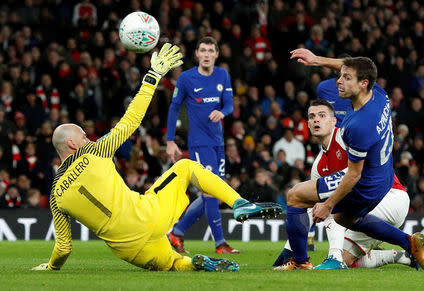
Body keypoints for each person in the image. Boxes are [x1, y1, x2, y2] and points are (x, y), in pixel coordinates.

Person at [31, 43, 282, 272]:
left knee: (171, 262)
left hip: (129, 249)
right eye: (84, 136)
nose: (88, 138)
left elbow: (64, 248)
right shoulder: (94, 151)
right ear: (73, 143)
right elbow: (131, 120)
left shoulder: (56, 194)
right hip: (147, 217)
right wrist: (152, 77)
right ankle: (239, 203)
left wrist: (51, 267)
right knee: (184, 166)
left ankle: (193, 263)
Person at [276, 49, 424, 272]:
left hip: (368, 183)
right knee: (345, 218)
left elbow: (353, 174)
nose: (338, 82)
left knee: (295, 195)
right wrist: (317, 60)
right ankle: (409, 243)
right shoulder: (379, 94)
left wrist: (328, 204)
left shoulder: (357, 126)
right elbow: (349, 64)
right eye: (341, 76)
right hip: (384, 177)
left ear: (363, 83)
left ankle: (301, 262)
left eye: (346, 78)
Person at [273, 100, 413, 270]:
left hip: (390, 196)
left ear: (333, 121)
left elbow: (359, 174)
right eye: (312, 117)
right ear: (308, 125)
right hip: (368, 213)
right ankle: (403, 255)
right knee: (349, 261)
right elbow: (308, 209)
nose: (316, 120)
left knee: (333, 201)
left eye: (322, 115)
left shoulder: (346, 137)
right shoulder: (318, 166)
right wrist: (289, 248)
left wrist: (329, 203)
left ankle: (334, 257)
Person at [166, 37, 239, 254]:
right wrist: (170, 141)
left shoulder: (222, 75)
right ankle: (220, 244)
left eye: (211, 51)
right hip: (199, 144)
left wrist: (222, 112)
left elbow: (229, 105)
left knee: (214, 191)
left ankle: (176, 233)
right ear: (197, 54)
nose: (207, 54)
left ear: (217, 54)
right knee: (210, 191)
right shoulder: (187, 79)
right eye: (203, 50)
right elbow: (173, 108)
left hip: (218, 142)